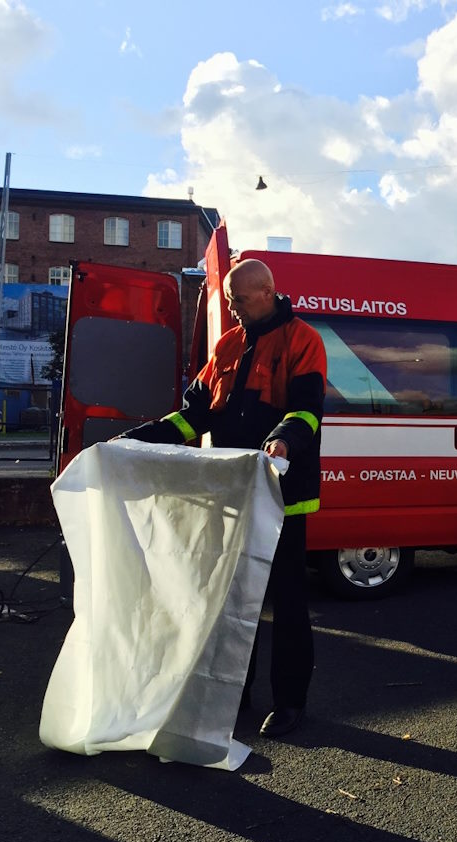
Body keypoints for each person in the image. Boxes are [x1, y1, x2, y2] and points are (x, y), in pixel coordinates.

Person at [117, 258, 326, 739]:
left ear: (268, 291)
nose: (233, 309)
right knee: (233, 602)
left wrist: (282, 442)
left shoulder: (303, 340)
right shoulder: (228, 345)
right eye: (230, 300)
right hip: (232, 495)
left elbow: (307, 412)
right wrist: (141, 440)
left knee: (288, 605)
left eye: (241, 299)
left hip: (282, 499)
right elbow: (196, 415)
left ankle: (291, 702)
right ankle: (235, 693)